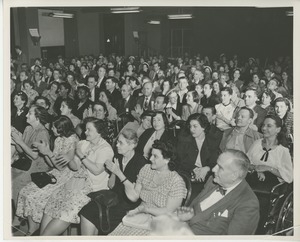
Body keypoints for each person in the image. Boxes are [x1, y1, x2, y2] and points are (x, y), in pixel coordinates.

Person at [39, 118, 114, 235]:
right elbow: (75, 167)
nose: (85, 132)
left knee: (66, 210)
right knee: (54, 200)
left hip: (92, 189)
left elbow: (96, 171)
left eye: (89, 130)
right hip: (76, 182)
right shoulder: (84, 144)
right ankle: (42, 236)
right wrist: (69, 159)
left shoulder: (106, 149)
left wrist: (81, 155)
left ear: (99, 133)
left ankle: (46, 236)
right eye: (85, 129)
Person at [15, 116, 79, 235]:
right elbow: (52, 165)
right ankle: (32, 229)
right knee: (25, 192)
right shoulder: (58, 139)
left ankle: (40, 230)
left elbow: (61, 167)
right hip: (55, 173)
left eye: (54, 127)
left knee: (36, 196)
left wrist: (47, 152)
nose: (51, 129)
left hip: (67, 176)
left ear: (61, 128)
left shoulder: (72, 139)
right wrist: (44, 152)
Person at [109, 140, 187, 236]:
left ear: (167, 159)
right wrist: (120, 175)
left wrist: (146, 209)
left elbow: (168, 211)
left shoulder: (176, 182)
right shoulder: (146, 169)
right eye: (151, 154)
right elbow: (134, 196)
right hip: (143, 216)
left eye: (155, 156)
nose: (150, 159)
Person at [79, 129, 147, 235]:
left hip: (129, 203)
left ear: (132, 145)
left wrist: (118, 172)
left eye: (121, 143)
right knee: (86, 211)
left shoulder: (141, 163)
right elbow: (111, 185)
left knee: (98, 216)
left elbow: (135, 196)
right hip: (113, 197)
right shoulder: (117, 157)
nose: (117, 145)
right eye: (117, 142)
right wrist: (114, 173)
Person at [176, 149, 260, 235]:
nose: (213, 169)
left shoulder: (248, 203)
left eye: (220, 167)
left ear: (234, 175)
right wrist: (187, 217)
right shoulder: (213, 181)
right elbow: (197, 210)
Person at [11, 106, 51, 227]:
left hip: (37, 166)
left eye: (30, 113)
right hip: (26, 162)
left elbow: (34, 155)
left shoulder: (43, 133)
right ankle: (18, 212)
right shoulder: (28, 128)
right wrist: (15, 140)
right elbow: (21, 150)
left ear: (37, 118)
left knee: (16, 182)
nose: (27, 115)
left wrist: (20, 142)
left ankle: (19, 217)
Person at [177, 113, 222, 199]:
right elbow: (179, 160)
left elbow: (215, 161)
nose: (191, 129)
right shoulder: (184, 140)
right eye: (190, 126)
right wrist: (194, 169)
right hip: (187, 175)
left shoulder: (212, 141)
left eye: (195, 126)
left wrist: (207, 168)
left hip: (206, 176)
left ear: (203, 127)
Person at [247, 115, 293, 184]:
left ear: (278, 129)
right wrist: (257, 169)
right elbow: (245, 163)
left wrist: (268, 168)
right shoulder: (257, 144)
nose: (264, 128)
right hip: (252, 183)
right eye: (263, 125)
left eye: (269, 126)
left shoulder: (283, 151)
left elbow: (289, 177)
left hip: (270, 189)